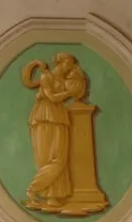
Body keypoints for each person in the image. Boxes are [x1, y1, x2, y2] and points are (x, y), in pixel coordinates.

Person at [20, 53, 87, 213]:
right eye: (69, 63)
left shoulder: (64, 80)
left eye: (72, 64)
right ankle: (33, 189)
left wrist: (77, 85)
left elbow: (78, 92)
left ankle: (53, 196)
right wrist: (69, 93)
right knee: (50, 158)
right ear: (61, 62)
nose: (71, 67)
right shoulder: (46, 77)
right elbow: (52, 98)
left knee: (60, 158)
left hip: (59, 116)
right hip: (45, 117)